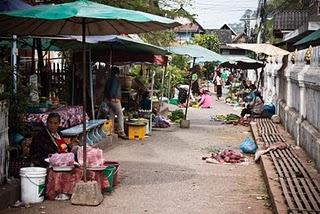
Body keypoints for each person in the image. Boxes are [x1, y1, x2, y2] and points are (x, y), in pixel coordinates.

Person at [104, 67, 127, 139]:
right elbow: (113, 89)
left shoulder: (109, 79)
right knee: (120, 115)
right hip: (114, 99)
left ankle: (110, 131)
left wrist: (109, 98)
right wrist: (113, 98)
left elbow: (105, 90)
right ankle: (121, 132)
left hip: (108, 100)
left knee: (111, 115)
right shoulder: (115, 79)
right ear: (117, 73)